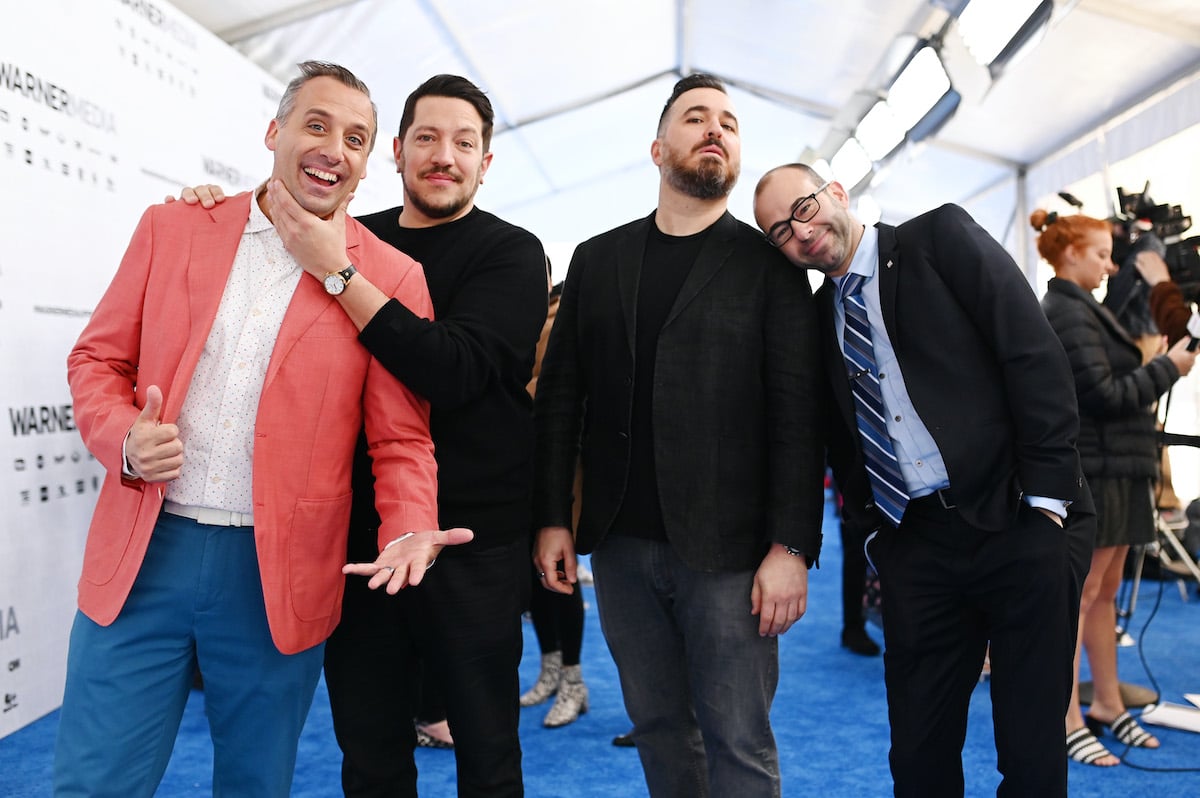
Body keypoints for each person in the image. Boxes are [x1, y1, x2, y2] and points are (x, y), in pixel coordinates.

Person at [55, 61, 472, 797]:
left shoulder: (391, 277)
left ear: (368, 163)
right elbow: (96, 358)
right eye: (317, 125)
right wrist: (123, 436)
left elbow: (402, 438)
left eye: (355, 138)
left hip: (276, 572)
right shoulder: (174, 226)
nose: (334, 149)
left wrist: (411, 523)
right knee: (94, 783)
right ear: (274, 132)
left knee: (255, 784)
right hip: (145, 555)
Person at [183, 72, 548, 796]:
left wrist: (337, 274)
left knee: (486, 751)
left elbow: (452, 372)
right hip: (357, 541)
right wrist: (205, 211)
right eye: (426, 138)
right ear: (397, 152)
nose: (444, 155)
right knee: (371, 750)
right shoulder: (349, 235)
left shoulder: (509, 252)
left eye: (464, 142)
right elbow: (250, 269)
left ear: (486, 162)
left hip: (474, 542)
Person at [753, 163, 1094, 797]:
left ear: (835, 193)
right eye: (777, 231)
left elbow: (1033, 354)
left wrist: (1046, 506)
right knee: (917, 753)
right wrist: (879, 535)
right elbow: (824, 436)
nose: (799, 232)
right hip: (918, 548)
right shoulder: (815, 317)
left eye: (802, 208)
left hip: (1019, 522)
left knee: (1030, 750)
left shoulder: (939, 239)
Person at [532, 74, 824, 798]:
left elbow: (798, 416)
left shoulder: (770, 267)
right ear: (659, 147)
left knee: (739, 739)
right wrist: (550, 519)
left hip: (732, 555)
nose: (715, 129)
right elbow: (561, 399)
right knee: (660, 728)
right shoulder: (598, 260)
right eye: (696, 117)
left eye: (728, 120)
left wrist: (791, 546)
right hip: (622, 546)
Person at [1034, 208, 1192, 766]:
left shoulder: (1086, 311)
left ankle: (1105, 703)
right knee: (1079, 600)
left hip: (1120, 471)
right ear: (1070, 252)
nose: (1109, 265)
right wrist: (1170, 367)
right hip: (1097, 472)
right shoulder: (1065, 311)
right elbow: (1102, 396)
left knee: (1101, 598)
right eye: (1101, 254)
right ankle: (1066, 717)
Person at [521, 278, 590, 728]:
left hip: (563, 468)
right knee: (535, 573)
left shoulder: (564, 316)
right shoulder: (526, 316)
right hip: (522, 465)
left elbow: (560, 392)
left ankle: (573, 681)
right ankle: (550, 668)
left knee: (560, 572)